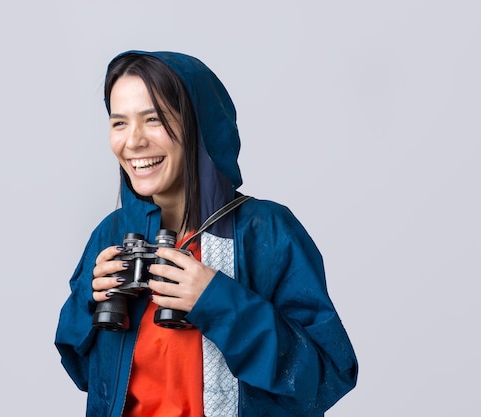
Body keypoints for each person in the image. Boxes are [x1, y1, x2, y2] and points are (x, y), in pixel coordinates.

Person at [55, 50, 358, 417]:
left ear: (200, 126)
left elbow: (326, 378)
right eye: (119, 123)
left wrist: (217, 301)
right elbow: (84, 372)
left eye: (154, 120)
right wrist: (87, 302)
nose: (133, 141)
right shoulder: (112, 235)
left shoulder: (267, 232)